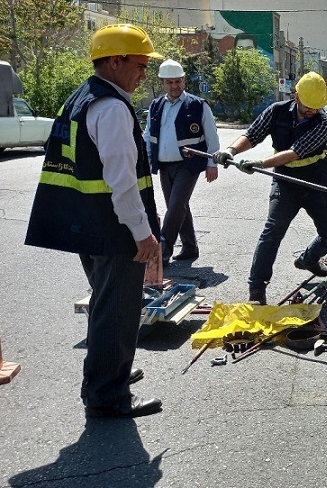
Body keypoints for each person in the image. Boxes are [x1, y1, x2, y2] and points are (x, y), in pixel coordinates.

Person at [25, 23, 164, 418]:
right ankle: (107, 394)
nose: (144, 74)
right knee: (117, 310)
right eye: (140, 65)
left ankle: (109, 372)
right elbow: (123, 182)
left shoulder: (82, 97)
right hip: (115, 228)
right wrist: (143, 234)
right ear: (115, 61)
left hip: (88, 223)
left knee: (106, 304)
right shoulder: (113, 108)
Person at [212, 71, 327, 305]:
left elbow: (295, 151)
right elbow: (252, 134)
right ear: (296, 96)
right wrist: (231, 151)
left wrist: (260, 164)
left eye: (317, 107)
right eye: (309, 106)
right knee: (273, 231)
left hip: (316, 181)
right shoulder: (276, 111)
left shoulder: (324, 123)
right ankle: (256, 288)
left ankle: (308, 259)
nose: (313, 111)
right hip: (285, 180)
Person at [144, 59, 220, 266]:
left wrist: (212, 163)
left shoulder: (198, 105)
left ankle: (162, 252)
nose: (174, 86)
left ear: (184, 80)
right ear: (162, 83)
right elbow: (148, 135)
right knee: (177, 205)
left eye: (178, 81)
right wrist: (144, 159)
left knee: (176, 206)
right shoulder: (156, 106)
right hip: (164, 165)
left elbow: (211, 135)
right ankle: (190, 246)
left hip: (189, 165)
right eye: (169, 82)